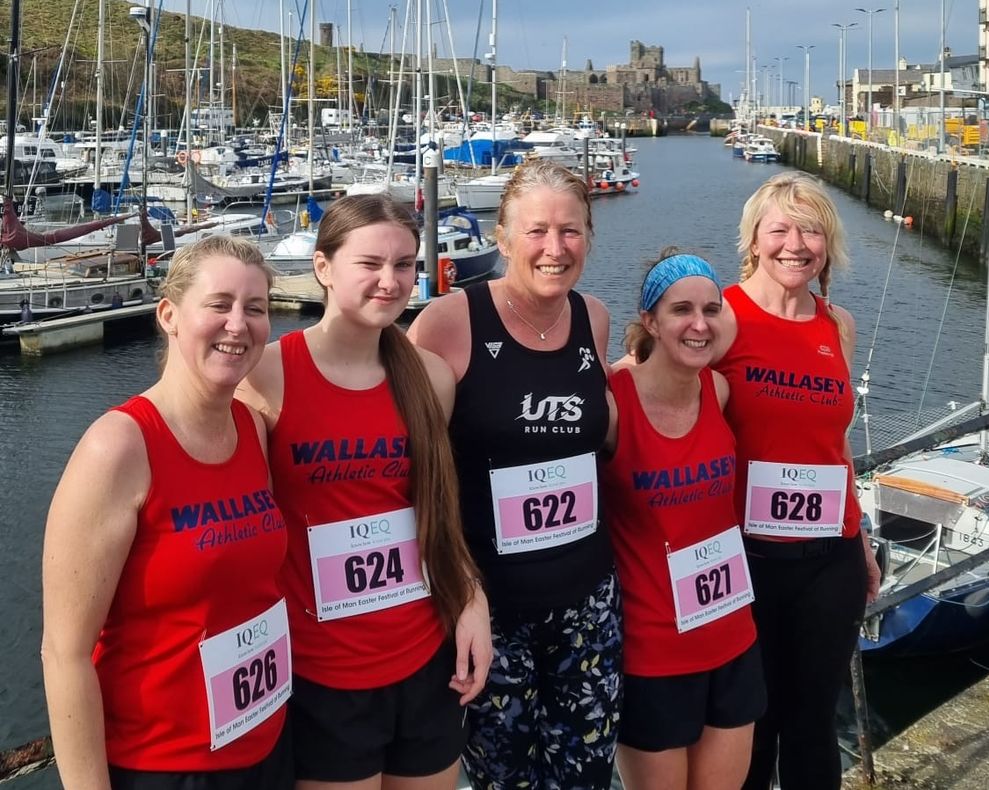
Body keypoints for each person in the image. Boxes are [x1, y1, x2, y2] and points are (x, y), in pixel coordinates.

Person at [237, 193, 490, 789]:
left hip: (427, 658)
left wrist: (472, 598)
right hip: (322, 673)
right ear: (323, 268)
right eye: (370, 264)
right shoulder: (266, 376)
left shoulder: (429, 376)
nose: (390, 281)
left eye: (404, 265)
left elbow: (438, 511)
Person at [41, 235, 293, 789]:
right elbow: (64, 654)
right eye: (218, 304)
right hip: (164, 767)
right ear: (169, 315)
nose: (238, 324)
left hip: (266, 744)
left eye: (255, 308)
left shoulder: (251, 427)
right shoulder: (119, 448)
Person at [408, 159, 623, 790]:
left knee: (586, 776)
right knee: (506, 782)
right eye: (536, 231)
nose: (555, 249)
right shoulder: (449, 323)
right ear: (502, 239)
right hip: (488, 611)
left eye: (571, 231)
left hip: (587, 608)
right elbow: (418, 475)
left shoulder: (594, 319)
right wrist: (458, 588)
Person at [712, 172, 881, 790]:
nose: (795, 243)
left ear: (828, 244)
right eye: (779, 228)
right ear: (754, 239)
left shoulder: (838, 325)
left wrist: (859, 537)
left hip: (828, 557)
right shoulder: (721, 316)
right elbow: (657, 396)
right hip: (744, 558)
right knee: (748, 727)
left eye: (811, 229)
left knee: (814, 725)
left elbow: (834, 446)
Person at [601, 251, 765, 790]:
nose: (699, 324)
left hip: (732, 637)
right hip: (653, 654)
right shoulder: (611, 403)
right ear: (649, 320)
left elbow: (728, 323)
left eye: (710, 309)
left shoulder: (717, 392)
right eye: (680, 310)